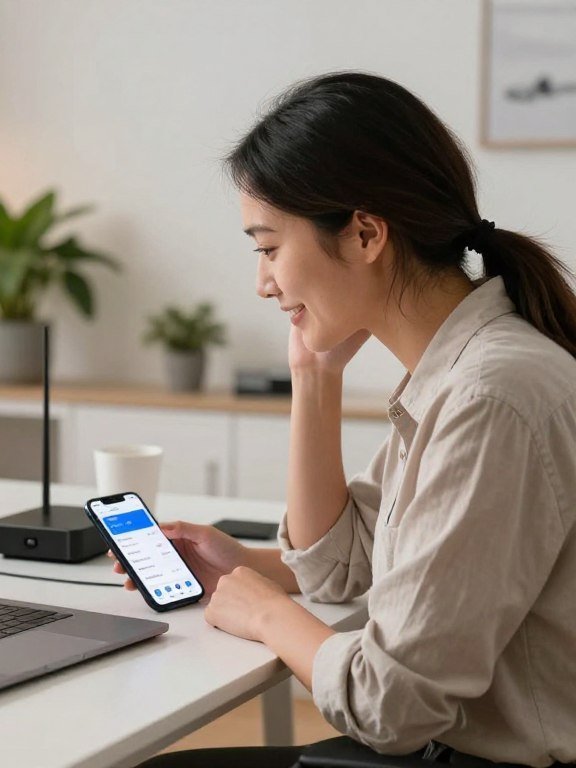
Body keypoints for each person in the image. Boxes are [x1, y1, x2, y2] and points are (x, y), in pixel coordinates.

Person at [122, 72, 576, 768]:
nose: (262, 283)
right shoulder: (458, 372)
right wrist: (314, 377)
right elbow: (341, 568)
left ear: (365, 234)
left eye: (268, 248)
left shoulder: (488, 396)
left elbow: (390, 705)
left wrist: (267, 612)